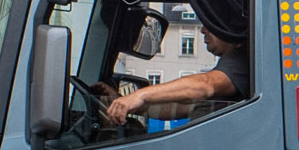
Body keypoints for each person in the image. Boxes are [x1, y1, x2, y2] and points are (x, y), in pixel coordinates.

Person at [103, 39, 248, 128]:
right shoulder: (229, 68)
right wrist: (123, 103)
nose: (203, 30)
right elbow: (180, 107)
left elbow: (206, 85)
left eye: (210, 25)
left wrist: (140, 95)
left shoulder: (243, 57)